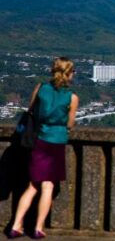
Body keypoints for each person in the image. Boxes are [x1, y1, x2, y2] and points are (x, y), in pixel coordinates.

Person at [9, 57, 80, 239]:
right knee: (48, 186)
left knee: (33, 185)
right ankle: (38, 227)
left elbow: (31, 110)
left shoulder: (40, 88)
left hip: (39, 138)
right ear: (68, 73)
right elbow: (70, 123)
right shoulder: (72, 97)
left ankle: (16, 224)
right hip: (57, 141)